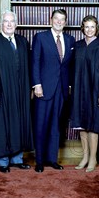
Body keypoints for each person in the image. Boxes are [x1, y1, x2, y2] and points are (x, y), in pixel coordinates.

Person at [0, 11, 33, 173]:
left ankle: (17, 159)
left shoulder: (22, 41)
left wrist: (30, 88)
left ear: (16, 24)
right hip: (2, 91)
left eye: (12, 21)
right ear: (1, 24)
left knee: (19, 123)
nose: (9, 24)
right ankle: (3, 160)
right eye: (6, 21)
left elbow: (29, 67)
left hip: (20, 91)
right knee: (2, 125)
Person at [31, 9, 75, 173]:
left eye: (62, 19)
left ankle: (52, 159)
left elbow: (69, 66)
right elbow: (35, 62)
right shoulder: (40, 37)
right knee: (41, 124)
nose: (59, 22)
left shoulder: (70, 40)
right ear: (51, 20)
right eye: (56, 18)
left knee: (56, 126)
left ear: (65, 22)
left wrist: (69, 86)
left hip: (61, 90)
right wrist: (37, 84)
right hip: (44, 88)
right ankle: (40, 160)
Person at [70, 15, 99, 172]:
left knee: (93, 125)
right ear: (82, 28)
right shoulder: (78, 46)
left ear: (97, 28)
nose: (89, 30)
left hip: (94, 91)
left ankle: (93, 158)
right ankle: (85, 157)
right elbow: (72, 69)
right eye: (86, 27)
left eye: (92, 27)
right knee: (82, 125)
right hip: (79, 90)